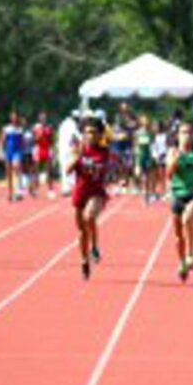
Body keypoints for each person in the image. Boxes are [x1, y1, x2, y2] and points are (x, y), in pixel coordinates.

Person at [67, 117, 110, 280]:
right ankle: (84, 261)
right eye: (86, 133)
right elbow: (67, 170)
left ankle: (95, 247)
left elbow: (107, 167)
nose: (89, 136)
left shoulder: (104, 151)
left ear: (99, 135)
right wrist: (77, 156)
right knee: (81, 231)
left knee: (89, 216)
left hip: (97, 193)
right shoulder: (78, 149)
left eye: (93, 132)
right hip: (80, 192)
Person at [166, 122, 193, 282]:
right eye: (183, 132)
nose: (187, 135)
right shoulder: (173, 152)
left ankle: (191, 255)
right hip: (177, 196)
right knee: (178, 237)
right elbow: (168, 174)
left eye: (189, 132)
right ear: (178, 136)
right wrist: (175, 161)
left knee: (187, 219)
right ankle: (182, 262)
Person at [0, 111, 24, 201]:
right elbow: (2, 141)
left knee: (16, 167)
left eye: (16, 117)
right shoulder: (6, 129)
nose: (14, 119)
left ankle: (18, 190)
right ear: (10, 119)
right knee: (8, 173)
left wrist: (22, 152)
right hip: (8, 152)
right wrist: (1, 151)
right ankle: (10, 192)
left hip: (16, 152)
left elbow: (22, 142)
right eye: (13, 117)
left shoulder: (20, 129)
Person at [33, 111, 56, 198]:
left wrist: (53, 149)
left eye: (44, 117)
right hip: (39, 149)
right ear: (39, 118)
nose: (43, 119)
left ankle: (50, 189)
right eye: (41, 117)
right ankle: (36, 188)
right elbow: (34, 140)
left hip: (47, 149)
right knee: (37, 169)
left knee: (49, 170)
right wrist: (39, 135)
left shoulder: (49, 127)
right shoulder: (36, 127)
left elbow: (52, 139)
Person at [58, 110, 81, 196]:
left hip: (61, 148)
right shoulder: (72, 124)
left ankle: (65, 188)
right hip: (68, 149)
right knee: (72, 167)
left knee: (63, 168)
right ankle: (72, 187)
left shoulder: (63, 123)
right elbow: (76, 136)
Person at [135, 115, 155, 203]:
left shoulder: (150, 132)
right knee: (139, 174)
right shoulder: (138, 132)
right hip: (140, 155)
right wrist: (136, 153)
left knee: (147, 176)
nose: (145, 122)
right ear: (141, 122)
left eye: (147, 121)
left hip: (148, 155)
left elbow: (152, 143)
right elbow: (135, 143)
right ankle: (141, 189)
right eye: (144, 121)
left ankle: (146, 194)